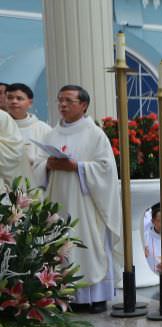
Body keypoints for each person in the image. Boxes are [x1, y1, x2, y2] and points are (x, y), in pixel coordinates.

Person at [33, 85, 121, 313]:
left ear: (83, 105)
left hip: (86, 204)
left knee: (87, 246)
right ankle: (65, 298)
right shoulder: (51, 134)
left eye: (69, 101)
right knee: (62, 246)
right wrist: (48, 164)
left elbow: (106, 169)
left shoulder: (95, 134)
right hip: (58, 202)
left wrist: (76, 166)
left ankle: (95, 298)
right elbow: (38, 165)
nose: (63, 105)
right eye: (60, 100)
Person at [5, 83, 50, 187]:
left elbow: (50, 159)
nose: (14, 101)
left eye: (19, 98)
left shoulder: (43, 129)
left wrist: (31, 161)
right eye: (10, 98)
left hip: (35, 183)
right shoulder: (2, 127)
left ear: (30, 103)